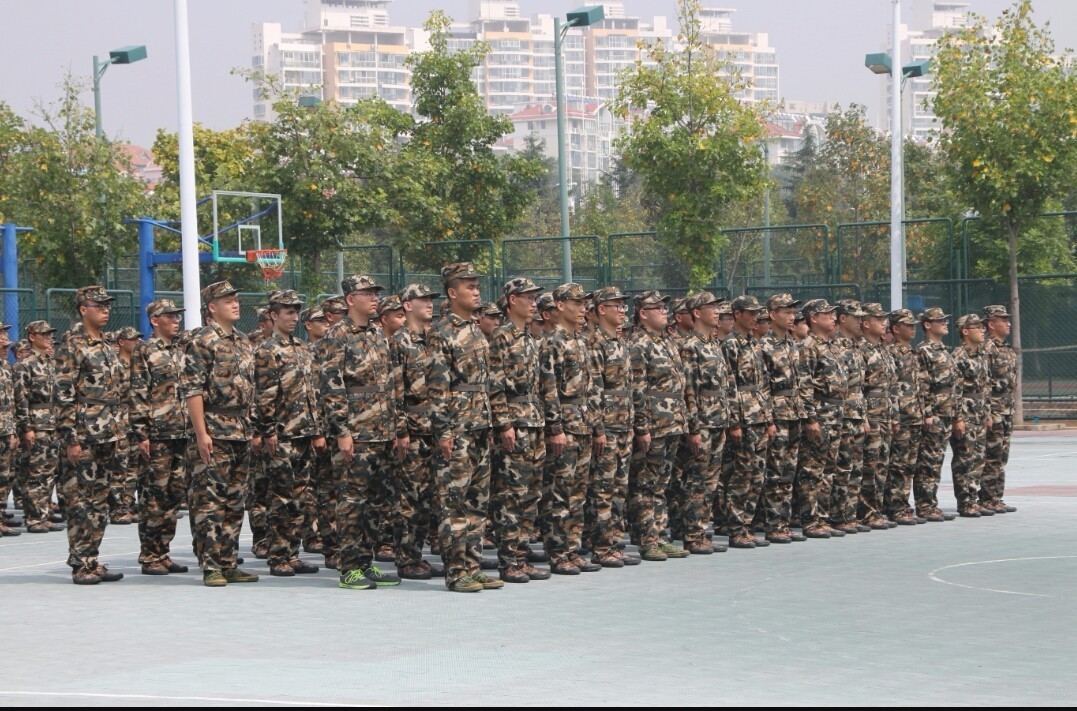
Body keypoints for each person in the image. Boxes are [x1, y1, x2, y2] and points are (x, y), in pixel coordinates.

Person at [319, 274, 407, 590]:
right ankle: (349, 567)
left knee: (375, 504)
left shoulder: (378, 335)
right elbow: (332, 387)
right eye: (366, 293)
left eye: (374, 292)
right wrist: (342, 431)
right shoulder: (336, 335)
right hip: (356, 433)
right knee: (350, 501)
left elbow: (391, 384)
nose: (373, 297)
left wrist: (398, 428)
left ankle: (366, 563)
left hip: (381, 432)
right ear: (349, 299)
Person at [426, 263, 504, 592]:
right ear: (452, 292)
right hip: (456, 429)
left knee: (477, 502)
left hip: (479, 426)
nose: (476, 290)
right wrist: (443, 432)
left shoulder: (475, 331)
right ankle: (456, 572)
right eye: (469, 286)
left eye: (476, 285)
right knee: (454, 503)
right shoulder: (441, 333)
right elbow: (437, 389)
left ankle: (472, 565)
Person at [183, 280, 261, 587]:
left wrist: (252, 428)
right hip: (213, 429)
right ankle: (210, 564)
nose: (235, 303)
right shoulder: (202, 340)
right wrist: (201, 434)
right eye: (227, 299)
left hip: (239, 430)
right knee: (209, 501)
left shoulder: (242, 340)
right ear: (212, 307)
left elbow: (249, 390)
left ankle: (228, 562)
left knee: (234, 502)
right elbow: (192, 389)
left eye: (235, 298)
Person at [54, 286, 129, 583]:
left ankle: (92, 558)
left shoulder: (107, 344)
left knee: (100, 500)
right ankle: (80, 563)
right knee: (79, 501)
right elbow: (62, 394)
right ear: (83, 309)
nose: (105, 309)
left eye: (107, 305)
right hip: (84, 434)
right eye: (99, 305)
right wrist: (71, 438)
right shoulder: (73, 346)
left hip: (108, 433)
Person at [255, 290, 326, 577]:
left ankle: (292, 553)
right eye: (288, 312)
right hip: (282, 435)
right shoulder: (266, 350)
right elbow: (264, 396)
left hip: (304, 433)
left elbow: (314, 394)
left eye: (296, 312)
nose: (294, 317)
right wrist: (268, 431)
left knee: (300, 498)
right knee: (281, 498)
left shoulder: (302, 348)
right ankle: (278, 556)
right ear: (273, 315)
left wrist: (317, 429)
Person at [488, 277, 551, 583]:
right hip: (515, 422)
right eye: (528, 297)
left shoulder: (529, 338)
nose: (534, 302)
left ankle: (522, 556)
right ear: (513, 300)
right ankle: (509, 560)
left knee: (531, 495)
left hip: (534, 420)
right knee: (512, 494)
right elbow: (495, 383)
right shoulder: (501, 336)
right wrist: (504, 423)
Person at [538, 282, 603, 575]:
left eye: (584, 304)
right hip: (565, 423)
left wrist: (596, 425)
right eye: (577, 304)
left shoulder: (582, 341)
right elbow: (548, 388)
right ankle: (558, 551)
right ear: (561, 305)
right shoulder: (552, 342)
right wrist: (555, 428)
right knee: (559, 493)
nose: (583, 309)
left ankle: (573, 549)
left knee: (578, 493)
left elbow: (591, 388)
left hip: (584, 423)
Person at [628, 290, 690, 561]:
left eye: (665, 307)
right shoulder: (639, 344)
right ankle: (647, 539)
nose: (665, 311)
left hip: (672, 420)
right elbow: (638, 389)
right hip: (654, 423)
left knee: (661, 484)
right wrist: (642, 427)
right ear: (643, 313)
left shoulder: (666, 342)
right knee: (645, 484)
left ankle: (660, 535)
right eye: (658, 308)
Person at [390, 284, 446, 581]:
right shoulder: (400, 341)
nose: (429, 304)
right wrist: (400, 431)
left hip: (435, 429)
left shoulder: (435, 339)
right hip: (412, 429)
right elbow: (395, 390)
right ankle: (407, 558)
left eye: (431, 299)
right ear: (407, 305)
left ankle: (420, 555)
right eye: (423, 299)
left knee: (429, 498)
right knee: (410, 499)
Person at [129, 300, 190, 575]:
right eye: (170, 316)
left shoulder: (180, 349)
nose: (176, 320)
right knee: (154, 496)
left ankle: (163, 550)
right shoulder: (145, 350)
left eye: (177, 315)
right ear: (155, 320)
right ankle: (149, 555)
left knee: (174, 495)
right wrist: (142, 433)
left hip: (181, 432)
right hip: (157, 434)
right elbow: (138, 393)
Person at [586, 286, 641, 567]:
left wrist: (630, 423)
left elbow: (627, 388)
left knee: (619, 488)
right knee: (603, 488)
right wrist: (598, 429)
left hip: (623, 424)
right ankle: (601, 545)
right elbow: (594, 390)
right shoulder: (594, 343)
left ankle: (615, 542)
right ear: (600, 310)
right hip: (607, 426)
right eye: (616, 305)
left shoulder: (620, 342)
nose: (622, 309)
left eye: (623, 305)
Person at [678, 291, 737, 553]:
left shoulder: (714, 345)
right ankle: (692, 533)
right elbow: (688, 390)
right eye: (710, 307)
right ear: (696, 313)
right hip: (701, 421)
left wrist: (727, 421)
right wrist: (692, 428)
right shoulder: (690, 346)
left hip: (717, 420)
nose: (717, 311)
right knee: (696, 480)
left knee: (711, 481)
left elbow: (726, 386)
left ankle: (701, 530)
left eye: (717, 307)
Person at [721, 295, 776, 549]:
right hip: (742, 416)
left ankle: (747, 524)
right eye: (750, 312)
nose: (755, 317)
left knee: (757, 473)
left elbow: (763, 384)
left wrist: (769, 418)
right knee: (742, 474)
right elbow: (728, 385)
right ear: (737, 314)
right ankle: (736, 527)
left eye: (757, 313)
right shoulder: (729, 345)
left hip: (759, 415)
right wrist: (733, 422)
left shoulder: (754, 344)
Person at [795, 299, 848, 539]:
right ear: (813, 318)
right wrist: (810, 419)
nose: (833, 318)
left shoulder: (832, 346)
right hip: (820, 413)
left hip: (835, 414)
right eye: (827, 314)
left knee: (829, 470)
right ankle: (810, 519)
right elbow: (804, 386)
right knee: (812, 470)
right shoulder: (808, 346)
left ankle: (823, 517)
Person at [759, 293, 805, 544]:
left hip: (794, 413)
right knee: (775, 472)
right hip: (777, 412)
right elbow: (762, 386)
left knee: (789, 472)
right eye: (786, 312)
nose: (792, 317)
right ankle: (773, 524)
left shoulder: (791, 344)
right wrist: (769, 420)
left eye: (793, 312)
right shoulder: (763, 346)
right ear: (772, 314)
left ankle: (784, 523)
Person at [13, 321, 63, 534]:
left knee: (49, 473)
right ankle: (33, 517)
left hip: (53, 423)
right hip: (36, 422)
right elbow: (20, 398)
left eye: (50, 334)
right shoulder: (25, 365)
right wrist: (26, 428)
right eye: (44, 334)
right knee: (34, 473)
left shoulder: (53, 362)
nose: (48, 338)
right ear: (32, 336)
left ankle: (44, 513)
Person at [856, 303, 899, 530]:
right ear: (865, 323)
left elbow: (890, 388)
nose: (884, 323)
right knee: (869, 466)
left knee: (882, 465)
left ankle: (877, 509)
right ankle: (865, 512)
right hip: (870, 416)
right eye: (878, 319)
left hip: (884, 415)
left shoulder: (883, 350)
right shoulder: (861, 350)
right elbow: (858, 389)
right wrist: (864, 418)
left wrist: (893, 417)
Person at [914, 307, 958, 523]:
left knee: (937, 461)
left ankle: (931, 503)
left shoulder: (942, 349)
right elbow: (922, 385)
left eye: (945, 319)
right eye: (939, 320)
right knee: (928, 462)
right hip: (935, 414)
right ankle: (925, 505)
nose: (944, 323)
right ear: (927, 325)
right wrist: (928, 413)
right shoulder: (924, 351)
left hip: (946, 412)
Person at [298, 307, 335, 563]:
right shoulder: (304, 352)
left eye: (327, 319)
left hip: (333, 427)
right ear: (308, 325)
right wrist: (317, 429)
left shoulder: (331, 349)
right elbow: (311, 395)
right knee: (311, 487)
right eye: (320, 320)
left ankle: (327, 535)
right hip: (310, 427)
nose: (326, 323)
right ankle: (311, 535)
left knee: (328, 487)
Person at [831, 300, 870, 535]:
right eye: (856, 317)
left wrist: (863, 417)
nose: (861, 322)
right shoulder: (836, 347)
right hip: (842, 414)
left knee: (855, 468)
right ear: (843, 318)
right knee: (842, 468)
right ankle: (837, 515)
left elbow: (860, 388)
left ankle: (849, 514)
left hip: (856, 413)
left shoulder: (855, 347)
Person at [950, 314, 993, 518]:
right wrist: (957, 418)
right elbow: (955, 391)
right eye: (977, 327)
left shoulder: (981, 354)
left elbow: (985, 388)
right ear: (965, 331)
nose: (982, 330)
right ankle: (965, 501)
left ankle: (974, 499)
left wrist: (988, 414)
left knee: (978, 458)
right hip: (965, 413)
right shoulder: (959, 356)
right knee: (964, 459)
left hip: (979, 413)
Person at [373, 294, 406, 563]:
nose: (403, 318)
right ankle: (382, 540)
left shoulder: (399, 345)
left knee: (395, 488)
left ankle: (390, 538)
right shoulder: (376, 344)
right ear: (384, 319)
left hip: (392, 424)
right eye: (397, 314)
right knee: (379, 489)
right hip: (371, 427)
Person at [885, 309, 925, 525]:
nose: (912, 328)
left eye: (913, 325)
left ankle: (904, 504)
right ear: (895, 328)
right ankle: (896, 507)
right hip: (901, 417)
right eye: (908, 325)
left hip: (914, 415)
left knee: (910, 465)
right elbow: (891, 388)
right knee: (898, 466)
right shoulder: (892, 353)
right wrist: (894, 417)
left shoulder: (912, 352)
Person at [981, 304, 1017, 514]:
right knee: (991, 455)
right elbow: (984, 383)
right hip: (994, 411)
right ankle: (986, 497)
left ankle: (996, 496)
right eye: (1003, 320)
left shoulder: (1007, 349)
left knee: (1002, 456)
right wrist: (988, 413)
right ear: (991, 324)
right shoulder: (988, 349)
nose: (1008, 323)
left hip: (1007, 410)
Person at [109, 326, 142, 526]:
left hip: (134, 420)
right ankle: (116, 507)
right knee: (118, 465)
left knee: (133, 466)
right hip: (119, 419)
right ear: (121, 341)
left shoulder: (137, 365)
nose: (137, 342)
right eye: (133, 339)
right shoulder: (116, 365)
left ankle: (128, 503)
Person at [0, 322, 20, 538]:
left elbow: (11, 402)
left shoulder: (5, 367)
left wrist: (13, 431)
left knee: (4, 476)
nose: (4, 340)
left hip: (5, 429)